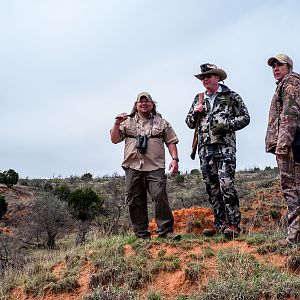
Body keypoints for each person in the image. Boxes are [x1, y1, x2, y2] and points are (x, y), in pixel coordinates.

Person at [185, 63, 250, 238]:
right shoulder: (198, 99)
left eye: (208, 76)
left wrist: (227, 125)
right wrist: (194, 113)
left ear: (217, 78)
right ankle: (220, 225)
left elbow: (245, 117)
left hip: (225, 148)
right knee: (212, 188)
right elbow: (189, 123)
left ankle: (233, 224)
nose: (205, 79)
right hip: (205, 149)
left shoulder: (231, 96)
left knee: (226, 185)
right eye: (203, 77)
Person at [110, 92, 181, 240]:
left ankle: (166, 230)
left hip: (155, 167)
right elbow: (114, 139)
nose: (144, 104)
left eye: (147, 102)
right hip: (133, 167)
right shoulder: (126, 121)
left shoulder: (161, 122)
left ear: (152, 104)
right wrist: (116, 122)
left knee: (160, 196)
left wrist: (175, 159)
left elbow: (171, 141)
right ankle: (141, 234)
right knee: (135, 199)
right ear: (136, 105)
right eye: (140, 102)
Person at [266, 54, 300, 246]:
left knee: (292, 190)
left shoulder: (290, 84)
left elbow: (290, 115)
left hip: (292, 147)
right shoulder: (286, 84)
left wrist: (282, 144)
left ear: (289, 66)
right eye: (273, 66)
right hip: (293, 144)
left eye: (280, 65)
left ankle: (294, 237)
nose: (276, 68)